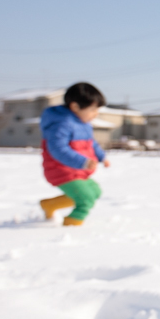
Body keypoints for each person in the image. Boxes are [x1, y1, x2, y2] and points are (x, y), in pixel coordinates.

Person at [38, 82, 110, 227]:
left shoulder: (84, 125)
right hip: (61, 170)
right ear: (75, 107)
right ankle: (71, 226)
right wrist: (82, 162)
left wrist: (102, 157)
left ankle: (50, 205)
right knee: (86, 198)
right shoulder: (61, 124)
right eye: (93, 109)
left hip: (77, 170)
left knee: (95, 192)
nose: (96, 113)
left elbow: (91, 143)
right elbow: (58, 149)